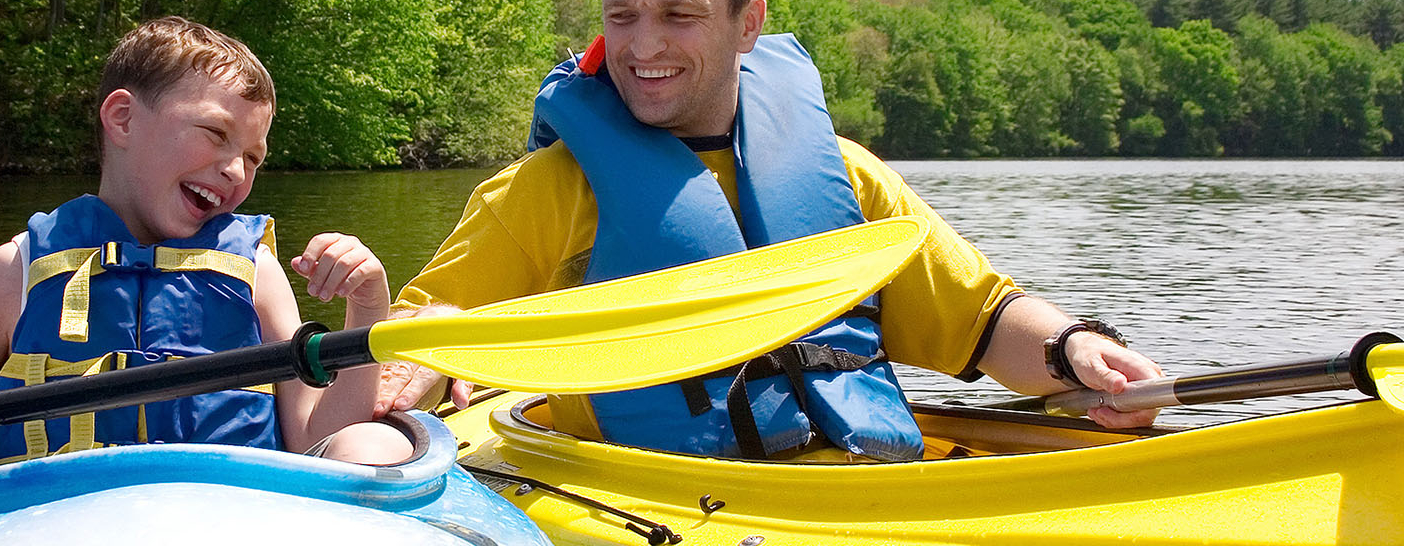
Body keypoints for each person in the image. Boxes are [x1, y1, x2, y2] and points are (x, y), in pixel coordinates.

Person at [375, 0, 1164, 460]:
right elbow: (417, 334)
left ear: (747, 21)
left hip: (858, 490)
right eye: (623, 16)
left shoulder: (849, 176)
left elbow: (984, 323)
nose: (644, 46)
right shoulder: (546, 191)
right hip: (656, 494)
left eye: (678, 15)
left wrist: (1072, 351)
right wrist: (435, 339)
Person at [0, 17, 408, 467]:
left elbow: (312, 438)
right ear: (122, 119)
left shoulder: (256, 271)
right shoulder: (18, 270)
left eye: (253, 157)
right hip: (59, 515)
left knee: (373, 442)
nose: (235, 171)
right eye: (215, 134)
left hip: (227, 512)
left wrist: (367, 311)